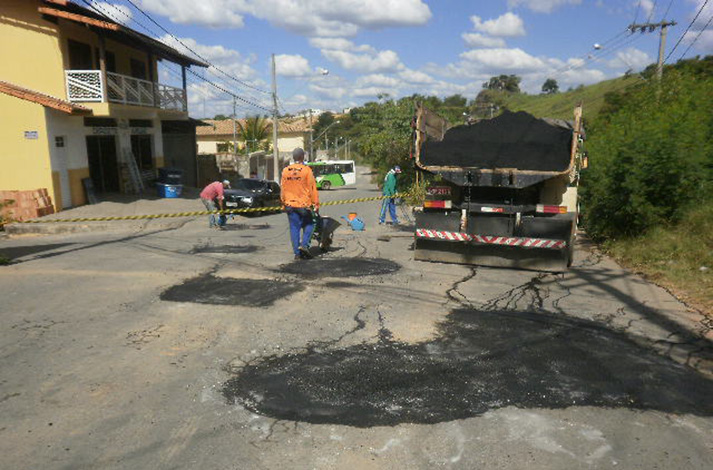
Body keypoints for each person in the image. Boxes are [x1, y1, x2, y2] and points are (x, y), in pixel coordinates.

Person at [281, 148, 320, 260]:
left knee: (294, 228)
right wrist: (316, 204)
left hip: (289, 205)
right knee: (310, 224)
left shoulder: (285, 170)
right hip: (303, 205)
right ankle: (304, 245)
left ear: (293, 157)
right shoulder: (306, 170)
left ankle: (297, 253)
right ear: (303, 157)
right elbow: (312, 188)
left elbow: (282, 189)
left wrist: (283, 203)